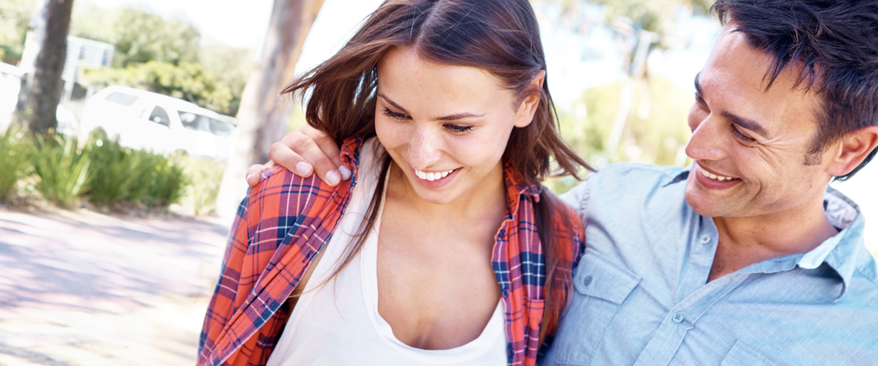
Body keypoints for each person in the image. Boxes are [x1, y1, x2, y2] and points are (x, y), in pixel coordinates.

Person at [256, 0, 878, 364]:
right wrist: (338, 158)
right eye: (701, 101)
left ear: (848, 149)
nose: (697, 142)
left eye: (744, 132)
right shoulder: (607, 204)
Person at [198, 0, 591, 365]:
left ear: (527, 101)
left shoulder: (555, 240)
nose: (422, 155)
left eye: (458, 126)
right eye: (397, 114)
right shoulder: (298, 194)